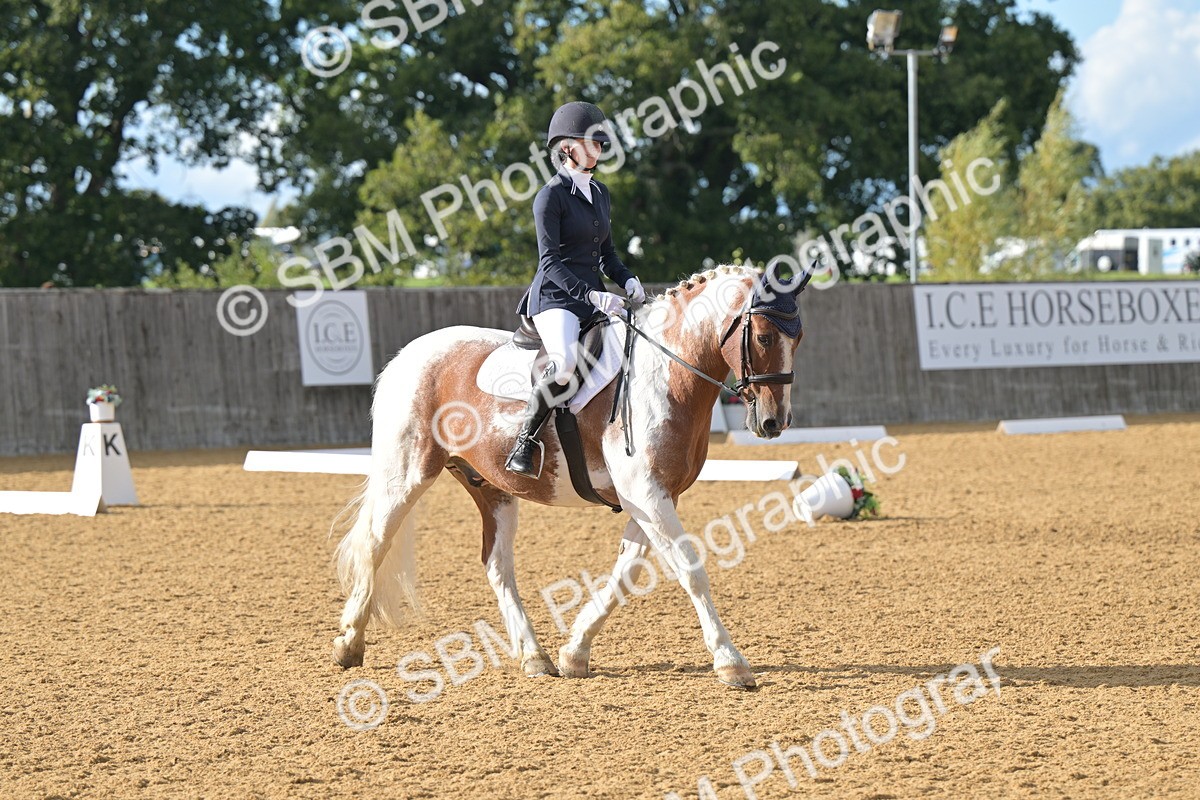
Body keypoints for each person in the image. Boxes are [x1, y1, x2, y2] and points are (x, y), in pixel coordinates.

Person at [505, 101, 645, 478]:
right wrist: (592, 295)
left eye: (601, 143)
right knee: (565, 364)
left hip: (592, 297)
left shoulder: (599, 193)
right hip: (556, 299)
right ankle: (525, 442)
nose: (599, 148)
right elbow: (549, 262)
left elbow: (607, 253)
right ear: (567, 148)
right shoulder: (550, 197)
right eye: (592, 142)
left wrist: (627, 278)